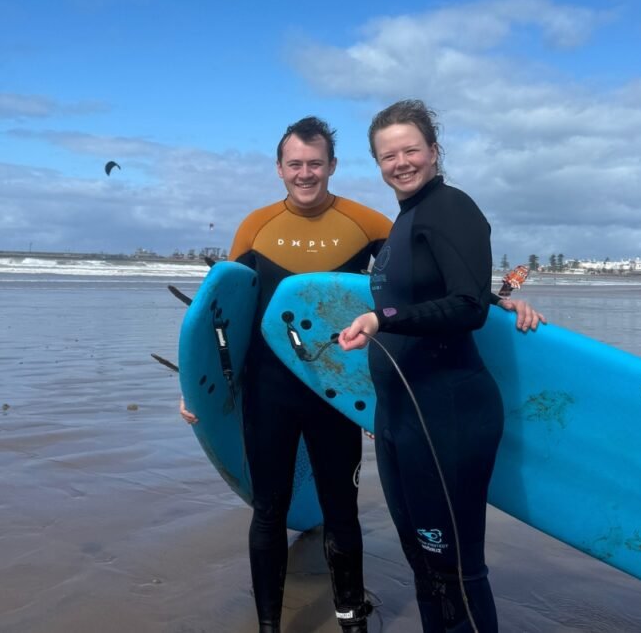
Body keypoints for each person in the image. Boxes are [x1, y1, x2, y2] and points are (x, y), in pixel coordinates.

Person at [181, 116, 542, 632]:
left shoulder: (371, 223)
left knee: (342, 508)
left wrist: (497, 302)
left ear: (333, 166)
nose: (305, 174)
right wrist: (196, 388)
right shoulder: (254, 226)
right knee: (268, 509)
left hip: (333, 391)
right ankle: (268, 627)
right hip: (268, 391)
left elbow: (427, 280)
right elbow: (222, 317)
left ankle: (351, 618)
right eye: (294, 164)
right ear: (279, 168)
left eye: (315, 163)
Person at [339, 100, 539, 632]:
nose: (400, 162)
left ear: (433, 150)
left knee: (454, 569)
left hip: (447, 413)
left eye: (411, 150)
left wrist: (382, 319)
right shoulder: (406, 220)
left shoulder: (450, 207)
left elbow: (467, 306)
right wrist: (503, 300)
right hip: (403, 416)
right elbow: (462, 291)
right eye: (388, 155)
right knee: (425, 565)